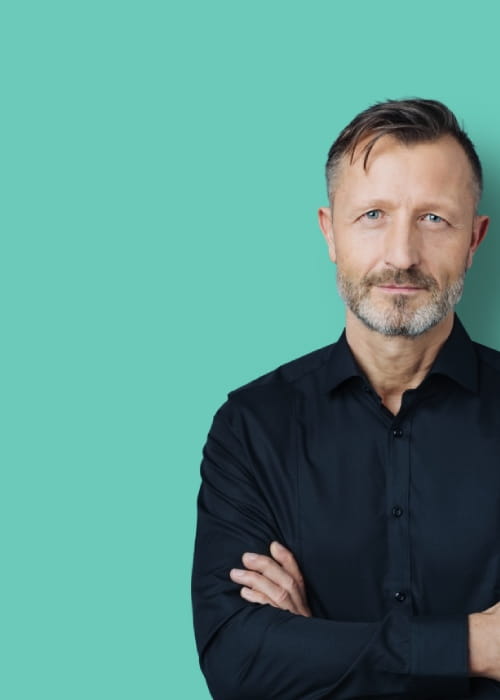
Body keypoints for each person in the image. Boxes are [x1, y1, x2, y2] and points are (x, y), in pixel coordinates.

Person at [191, 98, 500, 698]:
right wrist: (475, 645)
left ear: (474, 238)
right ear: (330, 232)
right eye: (373, 215)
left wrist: (316, 649)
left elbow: (277, 669)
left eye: (434, 218)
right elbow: (237, 664)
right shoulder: (251, 428)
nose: (402, 255)